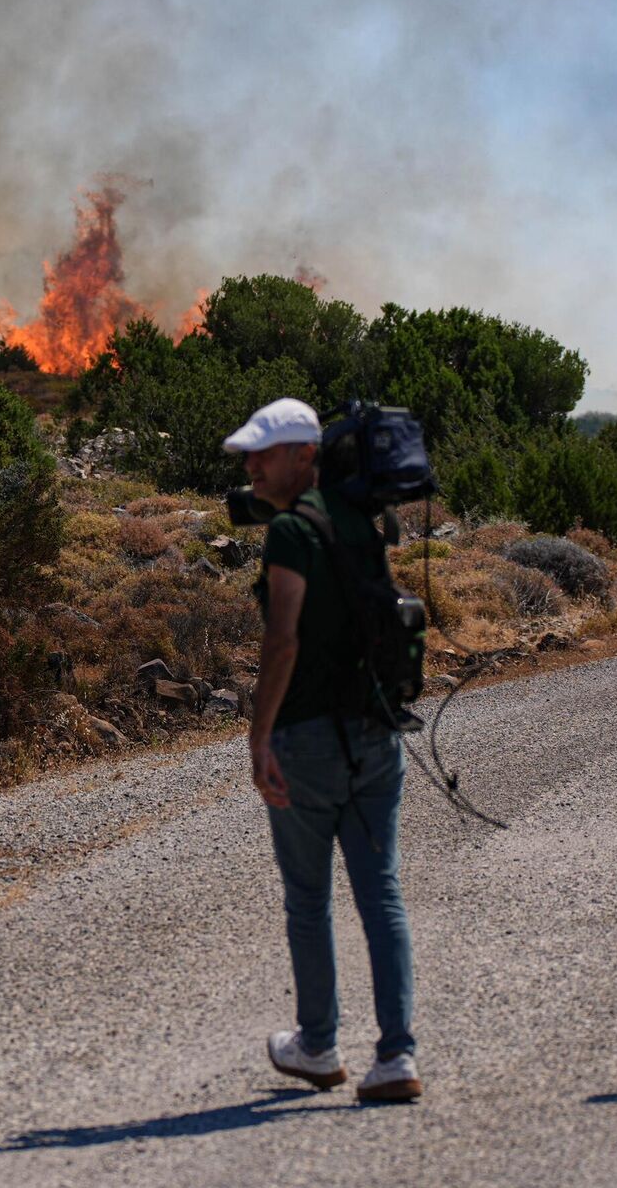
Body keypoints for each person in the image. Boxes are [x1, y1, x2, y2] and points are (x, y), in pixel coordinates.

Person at [226, 397, 421, 1102]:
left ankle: (318, 1044)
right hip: (376, 736)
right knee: (382, 894)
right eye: (250, 454)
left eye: (264, 453)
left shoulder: (289, 531)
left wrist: (259, 735)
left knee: (308, 898)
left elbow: (283, 638)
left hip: (307, 740)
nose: (252, 465)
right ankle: (397, 1055)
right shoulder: (360, 523)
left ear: (305, 456)